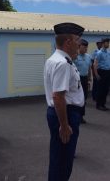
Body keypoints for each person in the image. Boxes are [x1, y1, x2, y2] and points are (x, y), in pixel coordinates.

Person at [44, 22, 84, 181]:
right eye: (78, 40)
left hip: (60, 113)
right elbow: (58, 97)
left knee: (58, 157)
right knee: (63, 161)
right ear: (68, 42)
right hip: (65, 114)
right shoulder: (62, 63)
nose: (79, 44)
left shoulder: (55, 59)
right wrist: (65, 125)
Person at [73, 39, 92, 123]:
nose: (85, 49)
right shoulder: (75, 56)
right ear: (79, 47)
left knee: (83, 98)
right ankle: (75, 115)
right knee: (76, 98)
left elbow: (89, 68)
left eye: (86, 48)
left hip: (84, 79)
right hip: (76, 79)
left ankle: (81, 116)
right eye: (84, 47)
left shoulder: (88, 56)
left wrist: (89, 79)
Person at [93, 38, 110, 111]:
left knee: (106, 89)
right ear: (103, 43)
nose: (108, 44)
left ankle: (103, 104)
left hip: (107, 72)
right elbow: (95, 64)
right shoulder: (99, 53)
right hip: (101, 72)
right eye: (107, 43)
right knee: (100, 89)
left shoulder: (108, 52)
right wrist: (96, 74)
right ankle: (98, 105)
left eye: (108, 43)